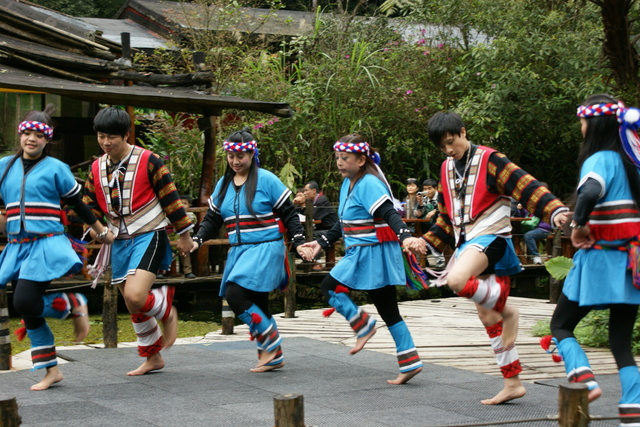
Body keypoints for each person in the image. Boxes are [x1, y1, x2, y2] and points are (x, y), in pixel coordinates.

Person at [422, 111, 569, 404]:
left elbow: (526, 186)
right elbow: (444, 217)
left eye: (452, 142)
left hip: (492, 239)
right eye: (443, 147)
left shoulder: (491, 160)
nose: (449, 150)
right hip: (468, 243)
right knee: (488, 315)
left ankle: (510, 310)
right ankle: (512, 382)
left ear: (463, 132)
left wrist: (554, 211)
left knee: (456, 280)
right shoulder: (445, 169)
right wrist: (426, 244)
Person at [0, 105, 114, 390]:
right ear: (21, 135)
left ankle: (72, 304)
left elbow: (78, 204)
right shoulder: (4, 167)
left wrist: (100, 231)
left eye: (38, 135)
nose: (31, 139)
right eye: (27, 132)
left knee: (24, 301)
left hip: (46, 244)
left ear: (47, 139)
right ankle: (51, 370)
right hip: (16, 245)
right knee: (29, 311)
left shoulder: (56, 169)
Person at [300, 133, 427, 385]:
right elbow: (344, 224)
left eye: (344, 158)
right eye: (337, 157)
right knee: (388, 308)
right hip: (363, 250)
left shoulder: (369, 183)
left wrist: (406, 237)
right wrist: (320, 242)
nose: (339, 162)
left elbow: (389, 213)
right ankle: (410, 361)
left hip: (372, 251)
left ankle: (363, 325)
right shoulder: (349, 183)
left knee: (330, 287)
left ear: (360, 160)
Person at [545, 94, 640, 420]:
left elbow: (588, 192)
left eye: (583, 122)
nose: (582, 128)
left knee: (561, 324)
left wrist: (578, 226)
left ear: (594, 125)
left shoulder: (600, 159)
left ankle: (583, 377)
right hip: (632, 263)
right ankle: (634, 406)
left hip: (600, 260)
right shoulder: (633, 162)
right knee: (620, 341)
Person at [83, 107, 194, 376]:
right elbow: (88, 207)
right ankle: (152, 357)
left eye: (112, 137)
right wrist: (98, 233)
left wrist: (184, 235)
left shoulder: (149, 160)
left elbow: (170, 198)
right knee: (132, 303)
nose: (106, 143)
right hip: (118, 240)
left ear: (126, 134)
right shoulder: (96, 168)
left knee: (135, 295)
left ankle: (167, 309)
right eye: (101, 136)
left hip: (150, 233)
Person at [190, 128, 308, 373]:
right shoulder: (223, 185)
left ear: (252, 153)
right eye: (232, 156)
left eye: (241, 155)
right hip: (239, 251)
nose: (236, 161)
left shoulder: (266, 179)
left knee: (235, 295)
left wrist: (298, 241)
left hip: (266, 247)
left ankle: (271, 345)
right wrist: (197, 239)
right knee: (258, 301)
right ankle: (271, 355)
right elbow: (212, 220)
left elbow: (288, 213)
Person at [303, 180, 339, 270]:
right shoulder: (315, 202)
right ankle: (308, 260)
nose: (304, 193)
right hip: (324, 229)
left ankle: (317, 261)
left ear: (314, 191)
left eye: (306, 190)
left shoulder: (322, 201)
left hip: (332, 231)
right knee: (305, 233)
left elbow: (312, 217)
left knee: (310, 235)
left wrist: (303, 205)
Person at [178, 195, 197, 279]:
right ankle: (162, 271)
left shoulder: (191, 214)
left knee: (186, 253)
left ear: (189, 205)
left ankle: (188, 271)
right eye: (180, 203)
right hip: (174, 236)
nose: (182, 205)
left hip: (187, 238)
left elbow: (193, 221)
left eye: (185, 203)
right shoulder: (174, 213)